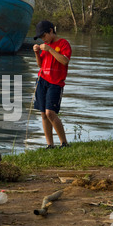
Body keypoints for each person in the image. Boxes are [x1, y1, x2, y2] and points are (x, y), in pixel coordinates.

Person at [32, 20, 72, 148]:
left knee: (50, 112)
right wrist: (37, 53)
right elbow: (40, 65)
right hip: (42, 80)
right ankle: (50, 145)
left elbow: (64, 61)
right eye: (41, 38)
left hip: (55, 83)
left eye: (44, 36)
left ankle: (64, 143)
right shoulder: (45, 45)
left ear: (51, 31)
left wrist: (50, 49)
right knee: (43, 113)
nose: (43, 39)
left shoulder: (63, 43)